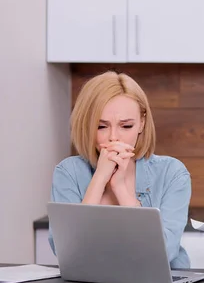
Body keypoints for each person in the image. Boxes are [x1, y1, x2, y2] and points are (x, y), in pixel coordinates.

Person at [48, 71, 192, 269]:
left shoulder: (172, 173)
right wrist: (99, 178)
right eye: (101, 126)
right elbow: (66, 250)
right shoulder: (68, 172)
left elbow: (163, 252)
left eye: (126, 126)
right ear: (86, 125)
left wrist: (120, 188)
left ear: (141, 123)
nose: (113, 138)